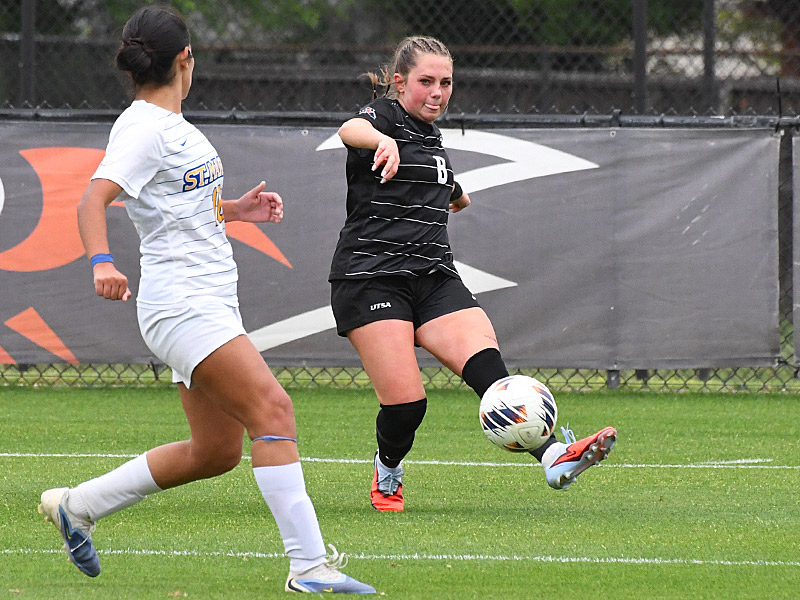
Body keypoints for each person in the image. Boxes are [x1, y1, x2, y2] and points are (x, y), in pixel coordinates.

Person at [36, 6, 375, 594]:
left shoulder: (175, 128)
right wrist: (101, 263)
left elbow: (175, 204)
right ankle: (309, 566)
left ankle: (77, 505)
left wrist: (235, 211)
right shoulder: (143, 126)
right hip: (182, 303)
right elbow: (93, 200)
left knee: (215, 452)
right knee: (274, 412)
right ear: (185, 58)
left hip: (206, 300)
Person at [328, 36, 617, 512]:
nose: (437, 92)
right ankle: (388, 471)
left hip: (433, 277)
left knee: (495, 379)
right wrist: (382, 141)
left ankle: (553, 458)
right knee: (406, 406)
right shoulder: (385, 117)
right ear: (399, 83)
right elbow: (349, 130)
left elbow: (443, 185)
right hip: (371, 278)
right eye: (425, 82)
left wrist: (456, 195)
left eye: (446, 83)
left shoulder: (431, 138)